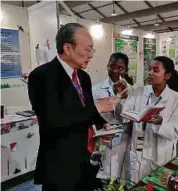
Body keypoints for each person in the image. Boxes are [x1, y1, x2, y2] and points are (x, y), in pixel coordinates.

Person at [28, 23, 115, 191]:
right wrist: (97, 108)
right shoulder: (42, 76)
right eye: (88, 49)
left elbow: (86, 109)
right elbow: (54, 120)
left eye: (92, 51)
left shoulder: (83, 77)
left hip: (86, 157)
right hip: (60, 163)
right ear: (68, 48)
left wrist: (103, 124)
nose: (91, 55)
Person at [121, 56, 178, 183]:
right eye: (149, 69)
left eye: (155, 70)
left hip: (160, 153)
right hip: (138, 150)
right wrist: (122, 100)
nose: (150, 73)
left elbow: (174, 132)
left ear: (167, 76)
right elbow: (124, 115)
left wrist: (160, 122)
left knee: (157, 184)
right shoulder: (138, 92)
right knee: (136, 184)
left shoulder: (177, 100)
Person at [92, 52, 131, 179]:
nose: (115, 71)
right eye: (112, 66)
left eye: (120, 68)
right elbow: (91, 116)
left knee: (123, 178)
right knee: (104, 179)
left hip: (125, 142)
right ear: (107, 66)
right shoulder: (96, 90)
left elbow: (129, 118)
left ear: (126, 70)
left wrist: (123, 98)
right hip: (104, 141)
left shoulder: (133, 92)